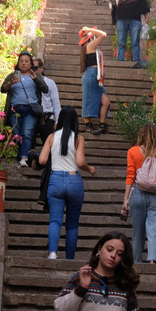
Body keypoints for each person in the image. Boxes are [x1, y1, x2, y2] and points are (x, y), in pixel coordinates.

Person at [39, 106, 96, 260]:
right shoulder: (79, 138)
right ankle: (69, 259)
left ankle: (52, 253)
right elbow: (80, 161)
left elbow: (42, 160)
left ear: (60, 119)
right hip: (74, 181)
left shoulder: (51, 137)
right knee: (72, 225)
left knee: (55, 221)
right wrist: (90, 169)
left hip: (55, 180)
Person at [122, 124, 156, 264]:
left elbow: (130, 175)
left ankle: (136, 262)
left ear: (140, 135)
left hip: (138, 194)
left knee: (138, 232)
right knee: (154, 230)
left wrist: (126, 199)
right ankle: (152, 259)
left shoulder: (133, 151)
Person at [1, 51, 49, 167]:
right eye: (21, 61)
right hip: (14, 109)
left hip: (30, 109)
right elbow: (3, 89)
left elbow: (45, 89)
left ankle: (24, 158)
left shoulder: (35, 75)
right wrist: (10, 83)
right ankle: (19, 159)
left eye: (26, 61)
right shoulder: (13, 75)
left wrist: (35, 79)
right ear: (18, 63)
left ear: (31, 63)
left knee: (27, 134)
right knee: (16, 135)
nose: (23, 63)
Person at [107, 0, 150, 68]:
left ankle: (135, 62)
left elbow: (143, 4)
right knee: (121, 41)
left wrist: (146, 18)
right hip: (121, 19)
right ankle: (120, 61)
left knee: (135, 42)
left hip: (135, 20)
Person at [79, 26, 111, 134]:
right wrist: (89, 29)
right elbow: (103, 34)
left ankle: (102, 125)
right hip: (91, 75)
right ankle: (88, 125)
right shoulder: (89, 45)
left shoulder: (91, 47)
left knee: (106, 102)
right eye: (92, 35)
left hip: (95, 76)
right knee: (88, 101)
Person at [33, 57, 61, 146]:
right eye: (32, 68)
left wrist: (58, 120)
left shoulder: (50, 82)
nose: (34, 70)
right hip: (32, 116)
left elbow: (56, 102)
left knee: (49, 146)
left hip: (47, 117)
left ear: (42, 68)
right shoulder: (28, 82)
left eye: (36, 68)